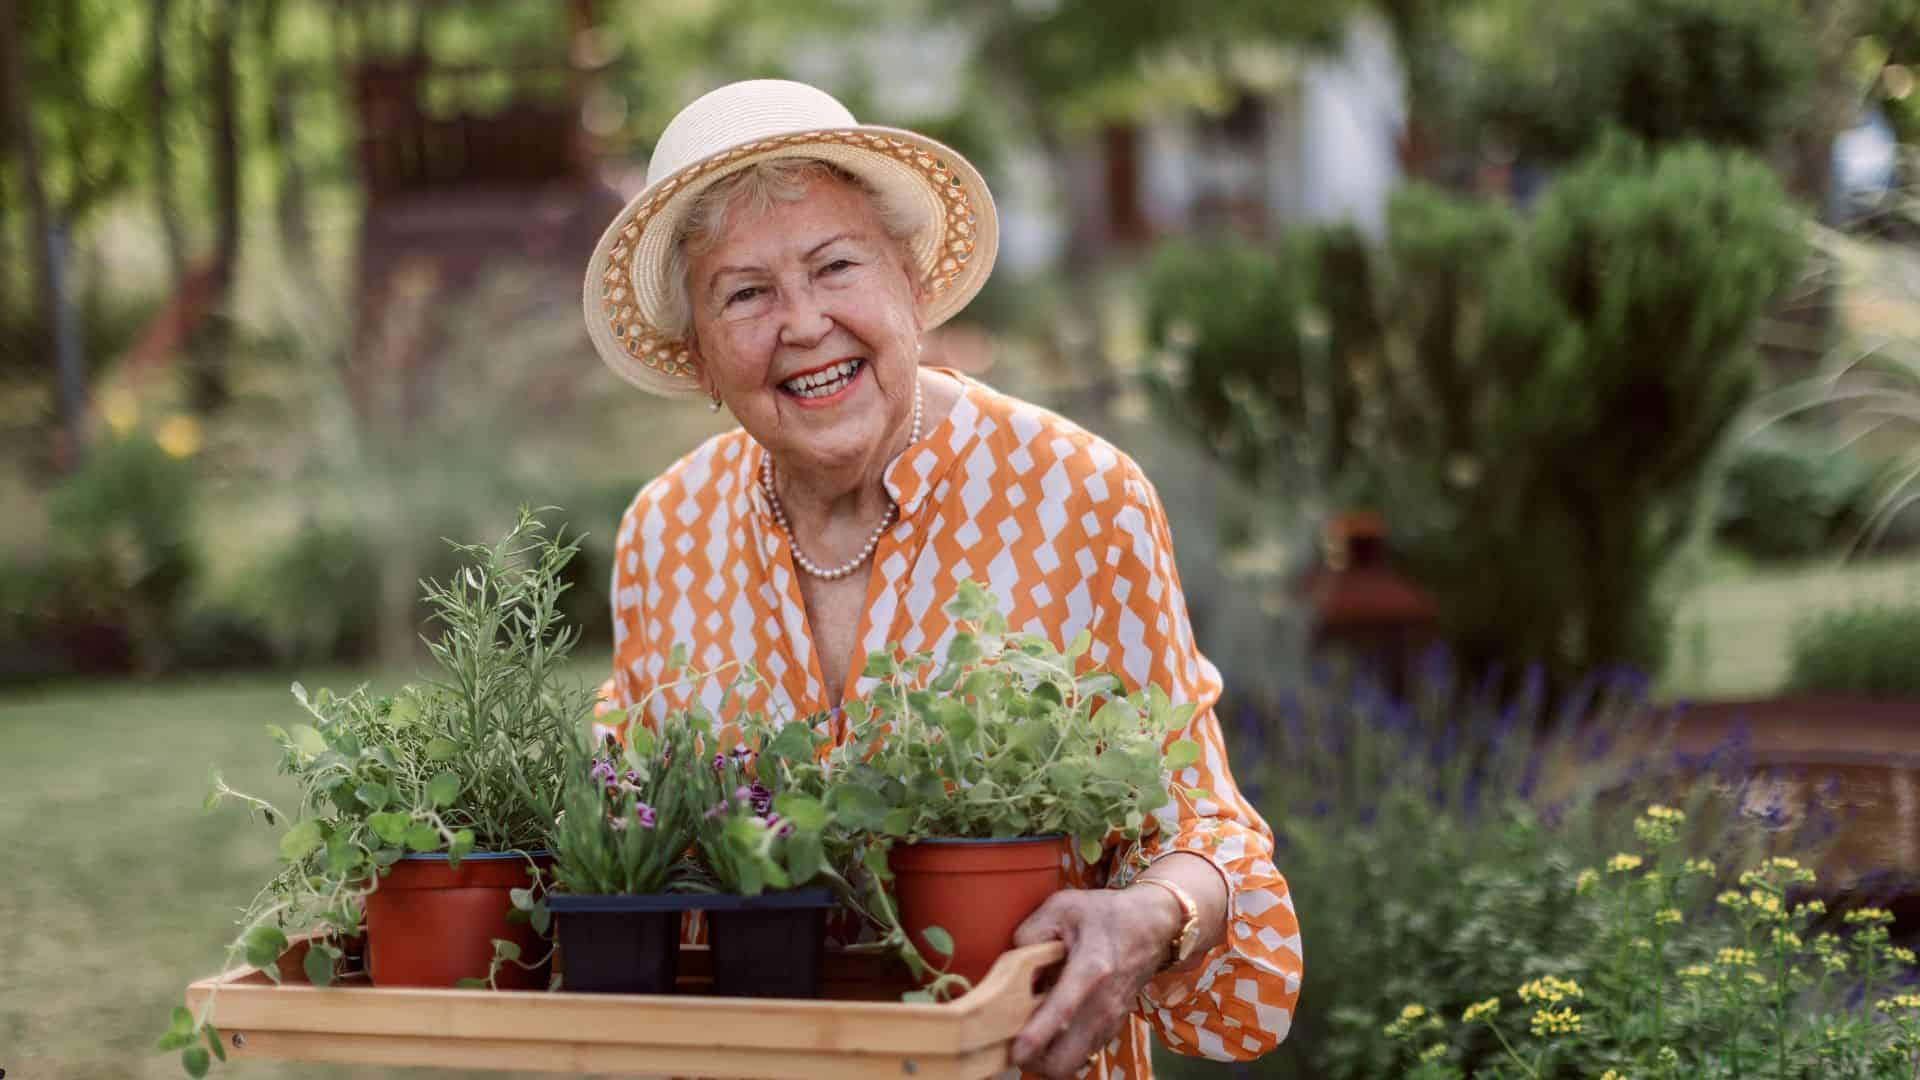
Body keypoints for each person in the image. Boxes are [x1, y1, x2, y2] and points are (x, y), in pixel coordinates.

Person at [585, 79, 1300, 1080]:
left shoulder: (1078, 495)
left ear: (912, 284)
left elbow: (1202, 825)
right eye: (744, 294)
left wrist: (1153, 912)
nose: (802, 323)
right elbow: (623, 826)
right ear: (698, 356)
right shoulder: (665, 532)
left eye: (836, 266)